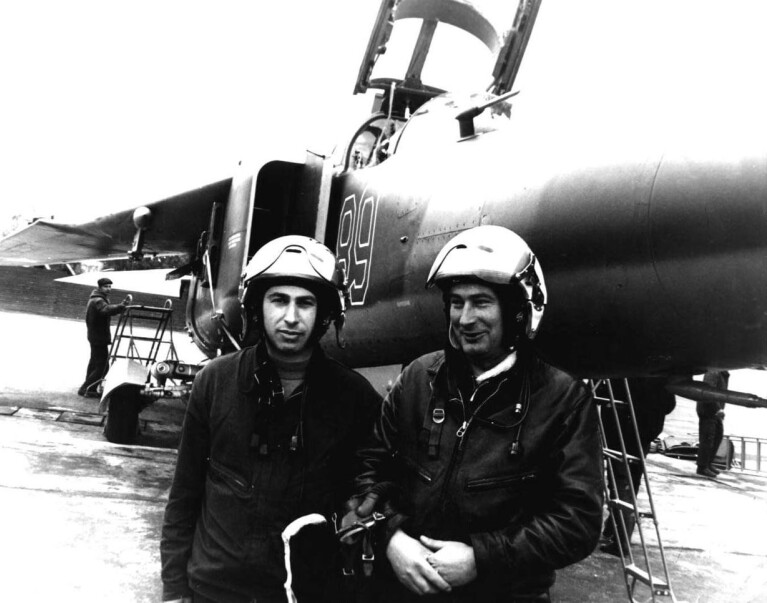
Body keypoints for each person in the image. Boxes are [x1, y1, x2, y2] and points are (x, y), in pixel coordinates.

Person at [349, 225, 604, 602]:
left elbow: (578, 522)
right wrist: (391, 538)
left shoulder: (563, 400)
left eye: (481, 302)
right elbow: (367, 469)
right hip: (403, 590)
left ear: (517, 311)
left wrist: (482, 558)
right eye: (456, 302)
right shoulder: (418, 378)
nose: (465, 318)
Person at [160, 235, 382, 603]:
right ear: (257, 306)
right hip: (214, 591)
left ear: (324, 313)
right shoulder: (214, 382)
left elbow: (373, 493)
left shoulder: (354, 398)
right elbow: (184, 495)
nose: (291, 317)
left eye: (305, 303)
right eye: (278, 300)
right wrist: (173, 589)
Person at [598, 378, 676, 556]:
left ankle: (621, 541)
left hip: (622, 432)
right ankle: (612, 528)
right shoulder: (658, 375)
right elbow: (669, 405)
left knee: (621, 483)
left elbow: (606, 393)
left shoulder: (627, 376)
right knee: (630, 481)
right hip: (644, 434)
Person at [77, 276, 129, 397]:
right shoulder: (98, 300)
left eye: (110, 286)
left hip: (95, 336)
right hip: (99, 337)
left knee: (94, 363)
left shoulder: (96, 299)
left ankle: (88, 388)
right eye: (106, 287)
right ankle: (86, 388)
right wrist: (121, 306)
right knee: (103, 366)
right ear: (99, 287)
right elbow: (106, 310)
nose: (108, 289)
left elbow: (106, 310)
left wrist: (118, 307)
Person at [696, 370, 729, 478]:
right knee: (708, 439)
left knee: (718, 436)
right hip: (708, 410)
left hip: (715, 411)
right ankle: (702, 467)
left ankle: (708, 463)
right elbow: (709, 392)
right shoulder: (713, 372)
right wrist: (718, 409)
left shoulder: (722, 372)